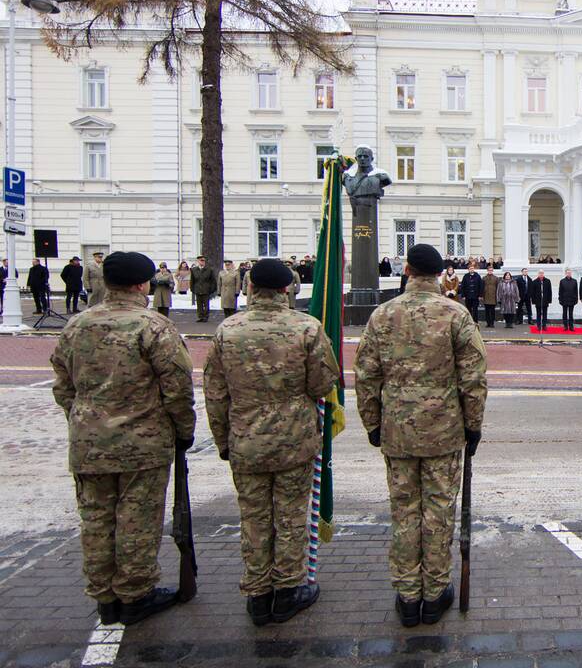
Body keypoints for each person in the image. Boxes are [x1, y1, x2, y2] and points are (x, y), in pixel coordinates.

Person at [50, 251, 196, 626]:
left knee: (96, 518)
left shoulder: (76, 325)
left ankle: (104, 596)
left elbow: (63, 386)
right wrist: (183, 431)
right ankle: (135, 593)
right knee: (137, 519)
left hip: (89, 443)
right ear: (141, 284)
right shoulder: (154, 327)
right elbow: (177, 388)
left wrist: (83, 421)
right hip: (143, 444)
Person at [354, 244, 487, 628]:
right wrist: (473, 425)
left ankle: (408, 595)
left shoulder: (383, 315)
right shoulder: (455, 313)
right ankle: (434, 593)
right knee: (438, 512)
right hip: (443, 432)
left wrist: (373, 423)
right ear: (441, 272)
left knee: (405, 511)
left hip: (397, 430)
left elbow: (366, 375)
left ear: (408, 270)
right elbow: (473, 379)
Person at [204, 258, 339, 626]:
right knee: (292, 515)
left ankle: (258, 593)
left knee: (254, 518)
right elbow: (323, 384)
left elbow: (215, 394)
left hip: (245, 438)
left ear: (248, 288)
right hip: (294, 438)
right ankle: (288, 590)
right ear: (286, 290)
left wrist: (223, 441)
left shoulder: (227, 331)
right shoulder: (305, 328)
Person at [190, 256, 216, 322]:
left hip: (206, 289)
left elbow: (213, 281)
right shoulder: (194, 270)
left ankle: (205, 317)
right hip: (198, 289)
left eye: (203, 261)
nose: (202, 262)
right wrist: (192, 289)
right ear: (198, 261)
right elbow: (192, 281)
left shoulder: (209, 270)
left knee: (206, 304)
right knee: (199, 304)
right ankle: (200, 316)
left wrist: (211, 289)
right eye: (201, 261)